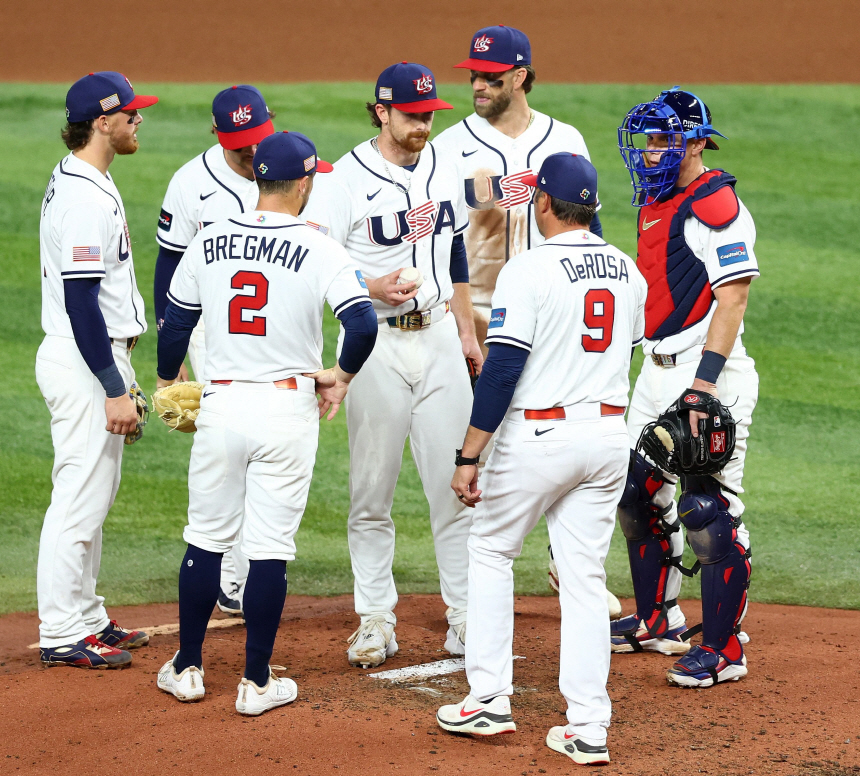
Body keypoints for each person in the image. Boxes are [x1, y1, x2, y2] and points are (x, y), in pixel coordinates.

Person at [153, 131, 377, 713]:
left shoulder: (209, 239)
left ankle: (188, 667)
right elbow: (363, 326)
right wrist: (342, 376)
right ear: (302, 183)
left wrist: (166, 378)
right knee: (270, 548)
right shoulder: (320, 246)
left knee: (205, 538)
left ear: (258, 178)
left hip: (223, 404)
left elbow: (175, 324)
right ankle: (256, 682)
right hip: (287, 409)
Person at [435, 153, 645, 766]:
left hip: (540, 437)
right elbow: (625, 345)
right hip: (608, 437)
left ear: (544, 203)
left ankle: (489, 700)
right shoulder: (626, 269)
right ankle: (587, 727)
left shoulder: (528, 269)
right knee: (583, 579)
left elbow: (502, 369)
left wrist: (468, 453)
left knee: (492, 550)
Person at [302, 62, 480, 667]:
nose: (422, 126)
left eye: (429, 115)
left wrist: (465, 327)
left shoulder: (445, 164)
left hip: (437, 343)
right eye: (411, 116)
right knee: (371, 493)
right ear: (381, 112)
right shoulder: (341, 179)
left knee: (455, 489)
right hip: (374, 345)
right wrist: (370, 282)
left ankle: (464, 617)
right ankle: (375, 618)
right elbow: (317, 258)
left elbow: (454, 244)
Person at [609, 87, 759, 688]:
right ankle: (658, 619)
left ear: (697, 143)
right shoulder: (658, 203)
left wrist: (702, 388)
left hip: (707, 376)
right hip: (656, 372)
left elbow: (734, 296)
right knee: (633, 493)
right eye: (648, 139)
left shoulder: (714, 206)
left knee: (706, 511)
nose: (651, 152)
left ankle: (724, 651)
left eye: (666, 139)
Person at [35, 72, 156, 668]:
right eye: (130, 115)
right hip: (88, 361)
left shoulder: (83, 178)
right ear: (101, 123)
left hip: (98, 356)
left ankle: (86, 616)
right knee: (78, 499)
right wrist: (114, 387)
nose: (139, 121)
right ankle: (60, 631)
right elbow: (82, 299)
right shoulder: (85, 196)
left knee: (93, 499)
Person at [153, 84, 277, 616]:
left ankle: (244, 569)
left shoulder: (290, 168)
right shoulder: (190, 183)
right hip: (210, 331)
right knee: (232, 445)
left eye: (257, 142)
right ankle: (231, 574)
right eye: (240, 146)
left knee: (269, 444)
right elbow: (167, 267)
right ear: (218, 135)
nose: (251, 154)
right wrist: (170, 348)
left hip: (276, 329)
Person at [433, 25, 601, 349]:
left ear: (520, 77)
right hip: (475, 319)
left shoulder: (565, 140)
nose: (479, 86)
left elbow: (589, 225)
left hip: (552, 314)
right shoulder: (448, 147)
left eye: (491, 76)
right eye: (473, 76)